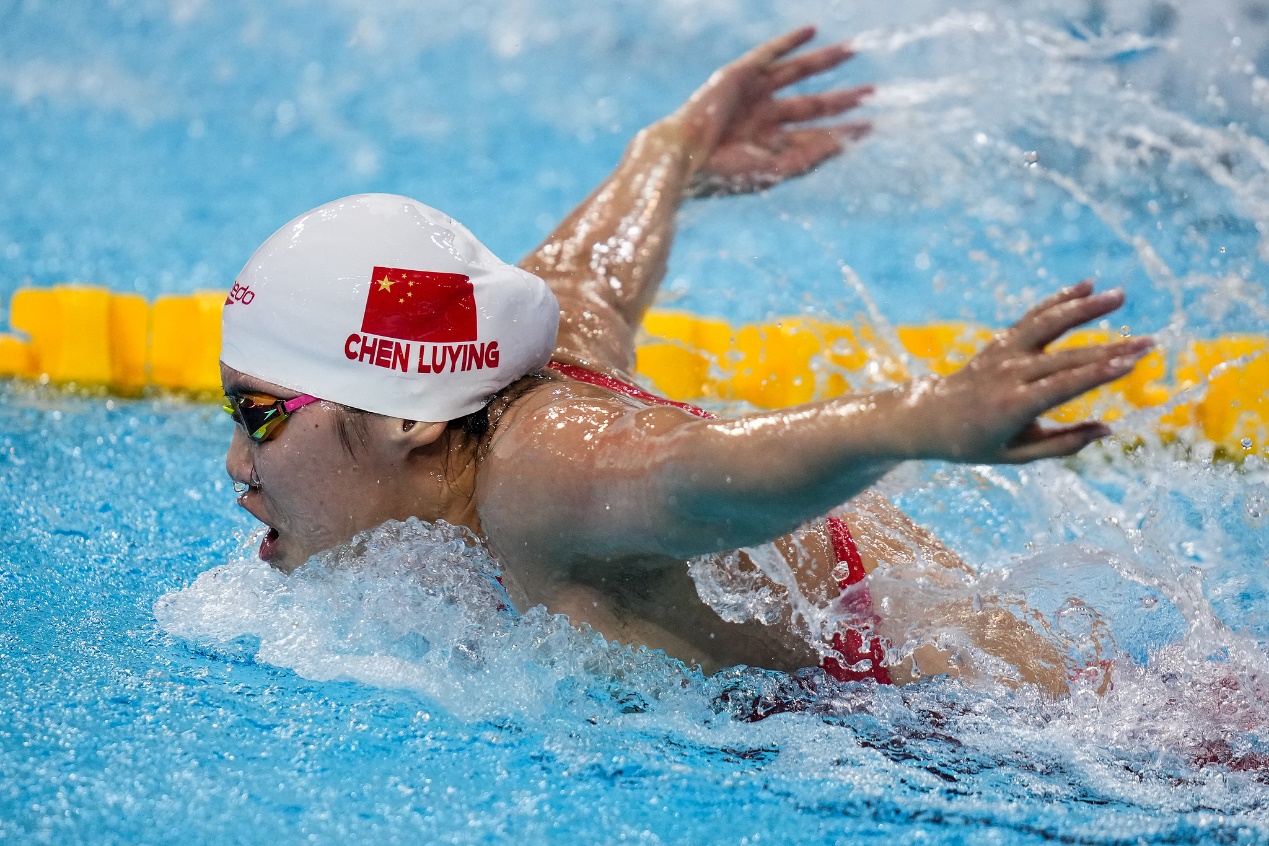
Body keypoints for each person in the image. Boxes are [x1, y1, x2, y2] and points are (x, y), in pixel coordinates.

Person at [219, 27, 1154, 698]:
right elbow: (584, 273)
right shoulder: (505, 369)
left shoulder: (538, 473)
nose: (235, 463)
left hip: (991, 736)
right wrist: (671, 153)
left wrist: (923, 421)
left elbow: (706, 473)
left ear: (405, 418)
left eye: (260, 416)